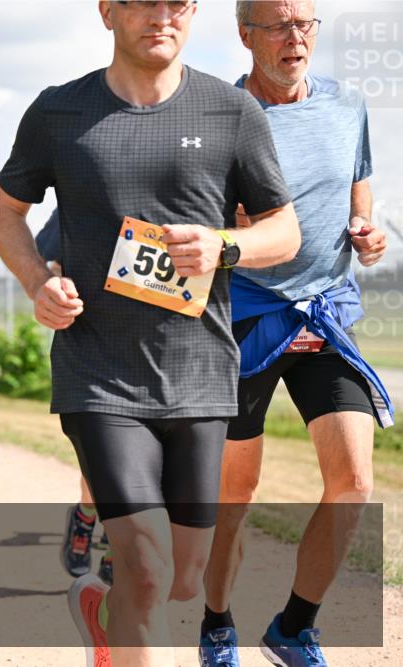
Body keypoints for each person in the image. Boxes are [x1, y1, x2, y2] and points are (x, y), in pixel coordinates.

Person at [0, 1, 302, 664]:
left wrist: (224, 245)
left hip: (200, 376)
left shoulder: (231, 111)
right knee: (147, 566)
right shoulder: (59, 111)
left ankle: (103, 610)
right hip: (98, 373)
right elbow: (4, 214)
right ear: (108, 12)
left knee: (184, 578)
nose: (162, 15)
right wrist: (38, 283)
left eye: (177, 2)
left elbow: (285, 230)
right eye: (143, 1)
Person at [199, 3, 393, 666]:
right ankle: (216, 621)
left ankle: (293, 626)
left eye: (305, 23)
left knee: (355, 480)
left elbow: (358, 192)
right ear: (245, 34)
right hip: (245, 320)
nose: (295, 38)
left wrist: (367, 234)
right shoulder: (219, 117)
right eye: (278, 25)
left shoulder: (346, 106)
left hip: (324, 314)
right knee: (234, 494)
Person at [37, 208, 114, 583]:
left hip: (163, 345)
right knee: (106, 458)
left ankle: (118, 544)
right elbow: (49, 260)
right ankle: (86, 514)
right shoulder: (82, 191)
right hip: (97, 341)